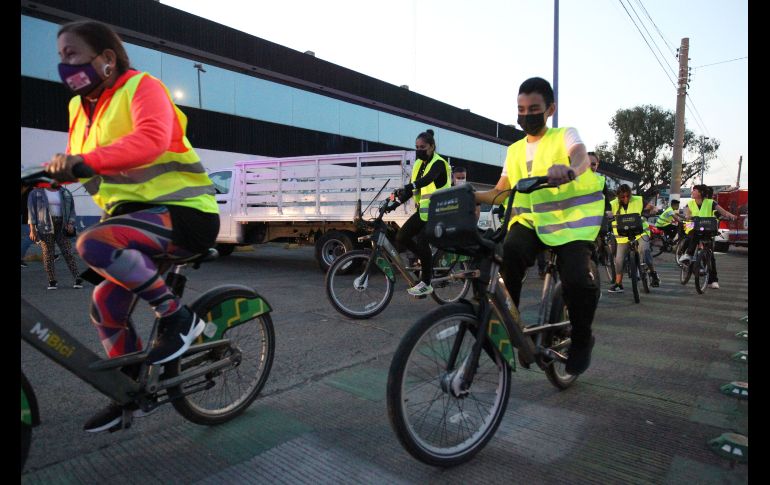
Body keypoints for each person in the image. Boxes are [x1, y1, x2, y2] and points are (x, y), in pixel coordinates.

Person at [45, 20, 219, 433]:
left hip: (184, 213)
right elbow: (82, 162)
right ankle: (129, 395)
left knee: (93, 243)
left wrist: (84, 162)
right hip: (131, 221)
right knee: (105, 306)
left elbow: (151, 140)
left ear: (106, 59)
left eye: (72, 54)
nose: (64, 64)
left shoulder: (141, 87)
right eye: (60, 56)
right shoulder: (78, 107)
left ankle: (177, 316)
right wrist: (53, 173)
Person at [474, 77, 604, 375]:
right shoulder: (515, 150)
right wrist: (470, 193)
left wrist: (571, 169)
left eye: (533, 108)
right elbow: (501, 192)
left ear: (550, 109)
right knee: (508, 256)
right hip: (531, 222)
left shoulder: (564, 135)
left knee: (575, 280)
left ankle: (582, 339)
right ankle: (510, 330)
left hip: (571, 225)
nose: (526, 115)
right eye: (521, 109)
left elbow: (581, 156)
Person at [395, 129, 451, 296]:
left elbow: (427, 180)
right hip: (424, 212)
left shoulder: (439, 163)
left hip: (439, 211)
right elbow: (414, 189)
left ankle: (426, 283)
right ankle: (427, 260)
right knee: (401, 237)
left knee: (421, 241)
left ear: (432, 147)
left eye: (423, 147)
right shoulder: (419, 164)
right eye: (416, 147)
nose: (419, 150)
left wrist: (408, 186)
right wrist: (394, 202)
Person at [677, 184, 736, 289]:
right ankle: (688, 255)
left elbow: (722, 211)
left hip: (708, 228)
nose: (692, 192)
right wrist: (688, 216)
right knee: (691, 236)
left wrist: (730, 215)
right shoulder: (690, 203)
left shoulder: (710, 202)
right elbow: (687, 213)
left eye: (694, 190)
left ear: (700, 193)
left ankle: (713, 280)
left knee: (710, 255)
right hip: (693, 226)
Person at [607, 184, 660, 292]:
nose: (626, 199)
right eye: (623, 197)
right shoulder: (613, 204)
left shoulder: (638, 200)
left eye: (628, 196)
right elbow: (606, 213)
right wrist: (607, 214)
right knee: (619, 260)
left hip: (640, 232)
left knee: (644, 250)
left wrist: (654, 209)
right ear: (618, 196)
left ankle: (653, 273)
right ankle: (618, 284)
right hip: (623, 236)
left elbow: (651, 207)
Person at [27, 185, 83, 288]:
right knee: (48, 254)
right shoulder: (36, 192)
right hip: (45, 226)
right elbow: (31, 212)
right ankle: (52, 280)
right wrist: (32, 229)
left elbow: (72, 210)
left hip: (62, 226)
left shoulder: (65, 191)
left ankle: (77, 278)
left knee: (68, 252)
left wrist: (70, 223)